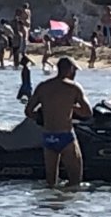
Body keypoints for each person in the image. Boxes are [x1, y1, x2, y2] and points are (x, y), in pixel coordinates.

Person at [25, 58, 93, 188]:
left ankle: (51, 205)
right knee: (75, 181)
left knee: (50, 182)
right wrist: (70, 107)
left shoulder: (43, 86)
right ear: (70, 70)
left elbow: (28, 111)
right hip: (66, 135)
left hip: (48, 136)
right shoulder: (73, 87)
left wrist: (42, 118)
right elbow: (87, 112)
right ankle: (68, 205)